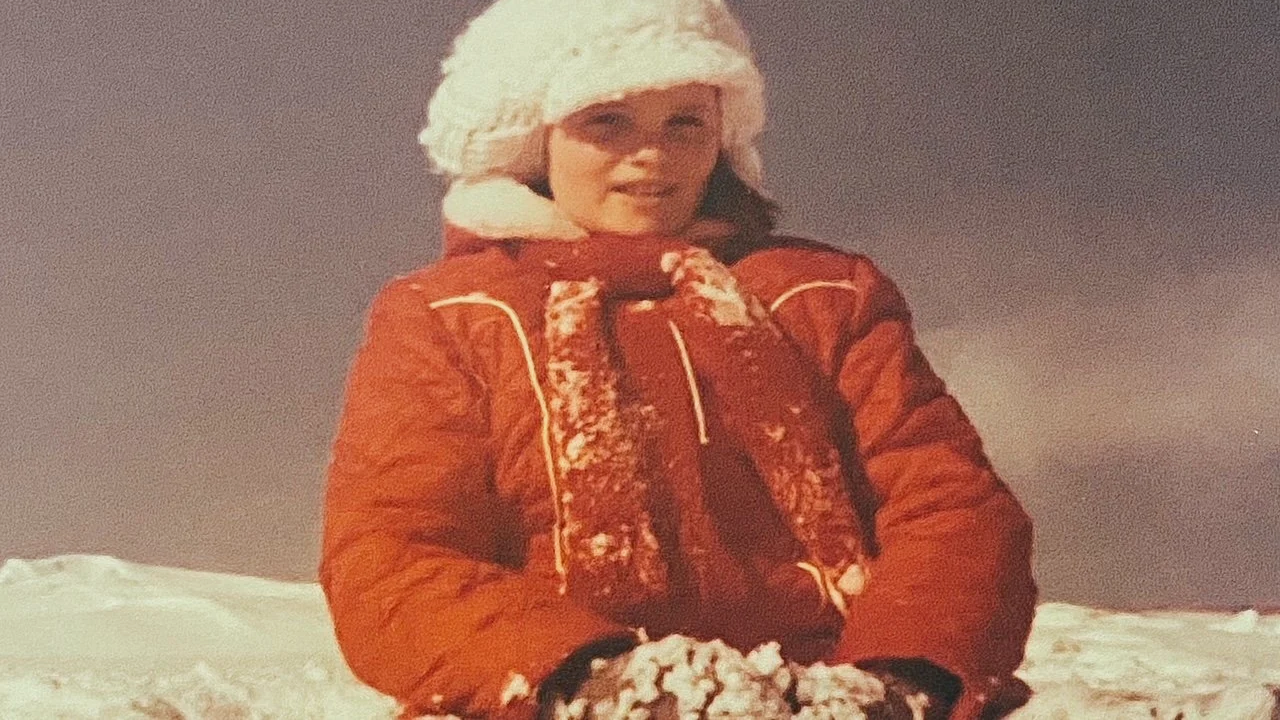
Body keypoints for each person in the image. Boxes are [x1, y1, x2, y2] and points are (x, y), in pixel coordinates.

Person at [320, 0, 1037, 718]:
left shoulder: (825, 297)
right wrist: (599, 684)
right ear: (534, 137)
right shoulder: (448, 315)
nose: (652, 154)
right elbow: (392, 554)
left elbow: (948, 504)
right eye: (607, 120)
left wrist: (895, 681)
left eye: (685, 122)